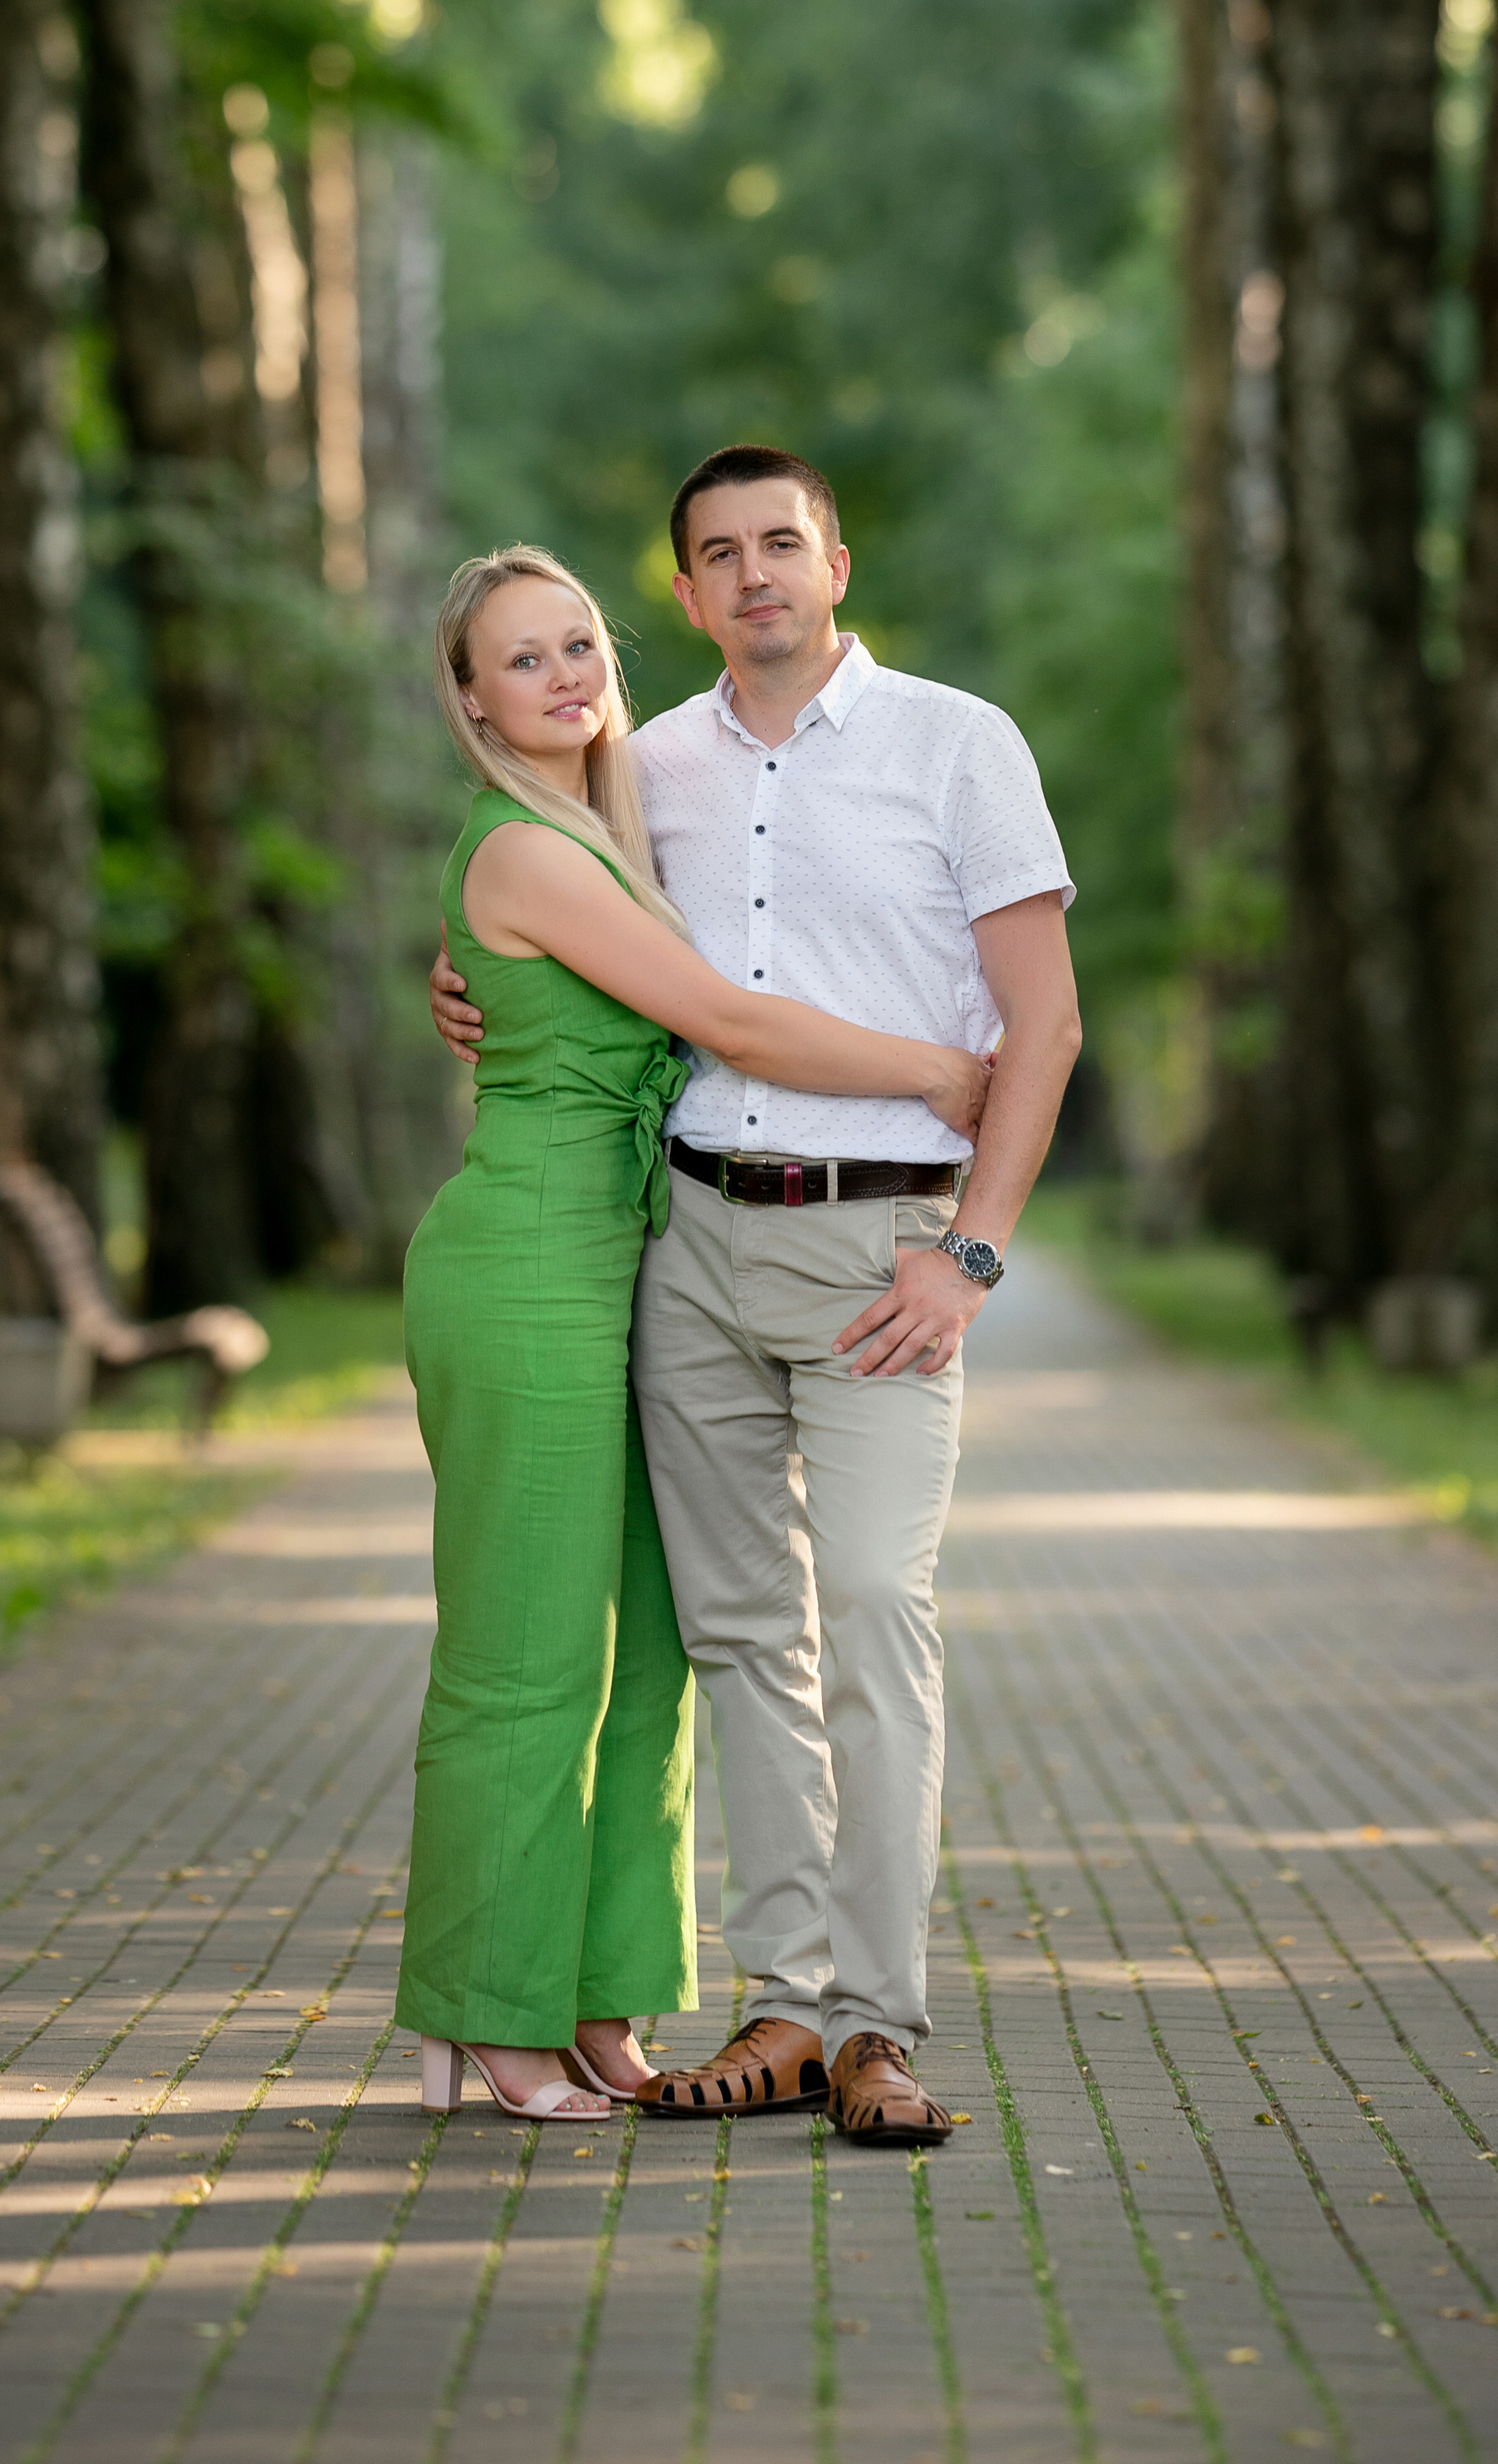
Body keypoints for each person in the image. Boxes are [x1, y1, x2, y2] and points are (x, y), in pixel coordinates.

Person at [431, 450, 1080, 2147]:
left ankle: (876, 2025)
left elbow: (1045, 1027)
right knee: (733, 1641)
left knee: (871, 1609)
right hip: (688, 1249)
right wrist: (458, 977)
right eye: (713, 554)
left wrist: (974, 1252)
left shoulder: (959, 744)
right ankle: (781, 2007)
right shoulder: (635, 769)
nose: (751, 574)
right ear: (688, 593)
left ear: (835, 561)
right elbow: (539, 927)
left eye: (777, 542)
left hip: (883, 1256)